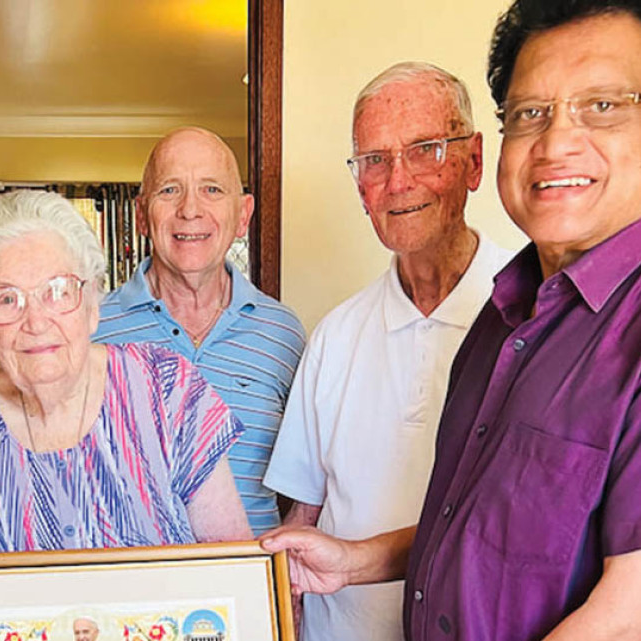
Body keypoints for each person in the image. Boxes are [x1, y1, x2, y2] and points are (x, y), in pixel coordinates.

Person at [262, 1, 641, 639]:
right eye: (531, 114)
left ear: (470, 161)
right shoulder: (504, 321)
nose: (557, 143)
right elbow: (468, 528)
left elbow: (627, 608)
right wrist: (353, 561)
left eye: (602, 106)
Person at [262, 63, 513, 641]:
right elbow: (303, 516)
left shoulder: (532, 317)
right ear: (360, 188)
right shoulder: (334, 337)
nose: (397, 180)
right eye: (374, 160)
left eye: (425, 149)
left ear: (473, 162)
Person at [0, 190, 252, 553]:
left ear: (93, 304)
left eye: (59, 291)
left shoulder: (167, 388)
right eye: (7, 299)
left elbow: (231, 566)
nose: (36, 321)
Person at [94, 127, 306, 535]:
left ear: (243, 215)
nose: (190, 210)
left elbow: (305, 484)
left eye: (212, 189)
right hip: (130, 592)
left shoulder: (282, 335)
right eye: (169, 190)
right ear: (141, 214)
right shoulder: (92, 330)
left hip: (248, 590)